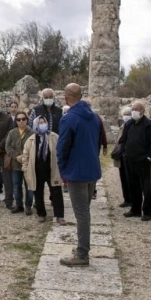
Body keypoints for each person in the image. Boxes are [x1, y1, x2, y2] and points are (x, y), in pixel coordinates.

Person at [56, 84, 102, 266]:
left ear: (66, 97)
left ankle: (82, 254)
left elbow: (62, 148)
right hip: (92, 170)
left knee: (81, 214)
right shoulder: (94, 118)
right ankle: (82, 247)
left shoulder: (69, 118)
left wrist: (63, 171)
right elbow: (97, 143)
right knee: (85, 212)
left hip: (76, 172)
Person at [118, 101, 151, 221]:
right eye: (132, 109)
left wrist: (149, 155)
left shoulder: (149, 125)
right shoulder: (129, 124)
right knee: (133, 185)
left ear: (142, 111)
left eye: (135, 109)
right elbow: (123, 139)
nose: (133, 112)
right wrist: (124, 152)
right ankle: (135, 209)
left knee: (145, 187)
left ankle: (147, 211)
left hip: (142, 160)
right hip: (129, 159)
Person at [22, 115, 65, 223]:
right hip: (37, 169)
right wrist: (26, 169)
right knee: (38, 192)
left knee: (56, 191)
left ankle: (59, 215)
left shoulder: (54, 137)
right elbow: (25, 156)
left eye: (43, 122)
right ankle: (41, 214)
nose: (42, 125)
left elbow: (61, 152)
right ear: (36, 125)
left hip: (52, 168)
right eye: (40, 123)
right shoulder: (31, 139)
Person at [5, 110, 34, 214]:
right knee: (16, 186)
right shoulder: (12, 133)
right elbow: (7, 147)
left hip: (28, 165)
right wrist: (17, 156)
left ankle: (28, 206)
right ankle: (19, 205)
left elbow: (34, 147)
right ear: (16, 121)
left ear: (27, 120)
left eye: (23, 119)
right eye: (18, 119)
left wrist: (24, 157)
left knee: (29, 186)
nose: (21, 121)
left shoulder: (32, 133)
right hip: (15, 164)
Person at [113, 107, 132, 208]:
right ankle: (127, 199)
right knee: (123, 179)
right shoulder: (122, 125)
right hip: (121, 156)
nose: (126, 116)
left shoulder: (132, 125)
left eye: (128, 114)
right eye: (125, 114)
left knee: (130, 180)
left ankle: (132, 199)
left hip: (129, 156)